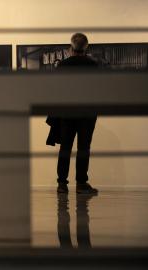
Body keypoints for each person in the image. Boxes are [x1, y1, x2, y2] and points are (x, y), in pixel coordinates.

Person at [52, 33, 99, 194]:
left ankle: (62, 184)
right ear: (86, 47)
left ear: (71, 47)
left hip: (67, 113)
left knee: (65, 148)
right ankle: (81, 184)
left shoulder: (62, 66)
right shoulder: (93, 66)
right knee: (83, 148)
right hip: (87, 114)